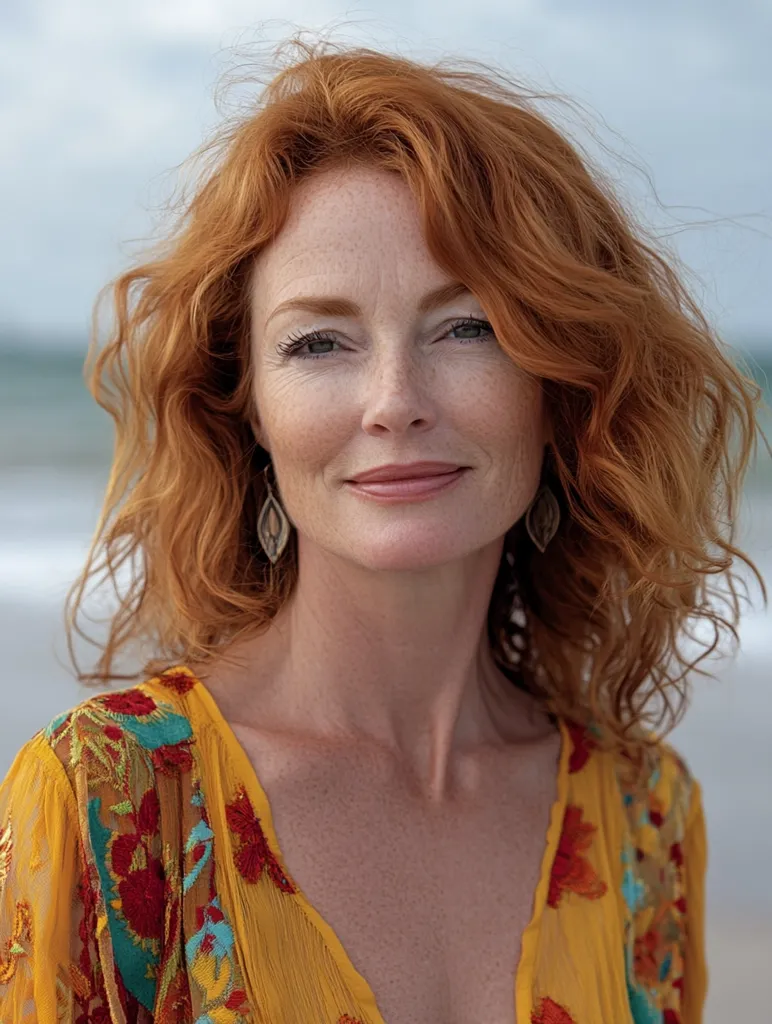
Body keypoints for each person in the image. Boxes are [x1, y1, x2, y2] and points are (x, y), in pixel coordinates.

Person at [0, 34, 766, 1024]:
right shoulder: (109, 801)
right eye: (319, 342)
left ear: (563, 383)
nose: (394, 400)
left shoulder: (644, 820)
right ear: (248, 411)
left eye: (467, 326)